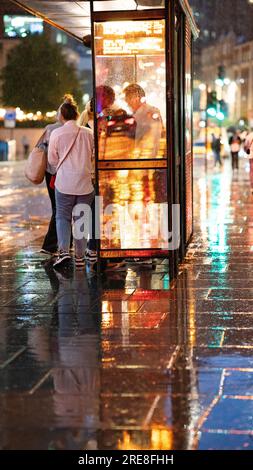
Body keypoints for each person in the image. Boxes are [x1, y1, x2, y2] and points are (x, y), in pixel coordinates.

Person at [48, 96, 95, 269]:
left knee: (63, 217)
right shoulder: (88, 133)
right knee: (81, 218)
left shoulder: (56, 133)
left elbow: (52, 160)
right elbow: (93, 154)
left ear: (62, 116)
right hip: (84, 183)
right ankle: (81, 256)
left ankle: (64, 252)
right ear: (76, 114)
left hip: (64, 183)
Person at [123, 83, 163, 158]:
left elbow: (150, 141)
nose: (128, 104)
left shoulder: (150, 113)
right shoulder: (140, 114)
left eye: (128, 99)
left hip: (145, 160)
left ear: (136, 98)